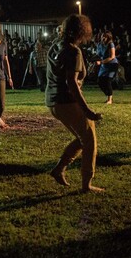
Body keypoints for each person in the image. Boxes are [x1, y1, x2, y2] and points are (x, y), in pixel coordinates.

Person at [46, 14, 104, 193]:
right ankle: (86, 184)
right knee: (90, 141)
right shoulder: (74, 51)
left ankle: (58, 169)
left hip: (53, 101)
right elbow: (71, 83)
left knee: (82, 139)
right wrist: (86, 110)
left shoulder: (56, 45)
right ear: (83, 31)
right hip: (67, 102)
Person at [95, 31, 119, 104]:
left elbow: (112, 56)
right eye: (102, 36)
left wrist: (101, 62)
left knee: (107, 81)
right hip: (104, 65)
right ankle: (109, 94)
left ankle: (110, 99)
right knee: (100, 81)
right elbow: (98, 55)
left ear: (108, 37)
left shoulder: (111, 44)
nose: (103, 38)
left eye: (105, 37)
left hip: (112, 64)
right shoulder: (100, 44)